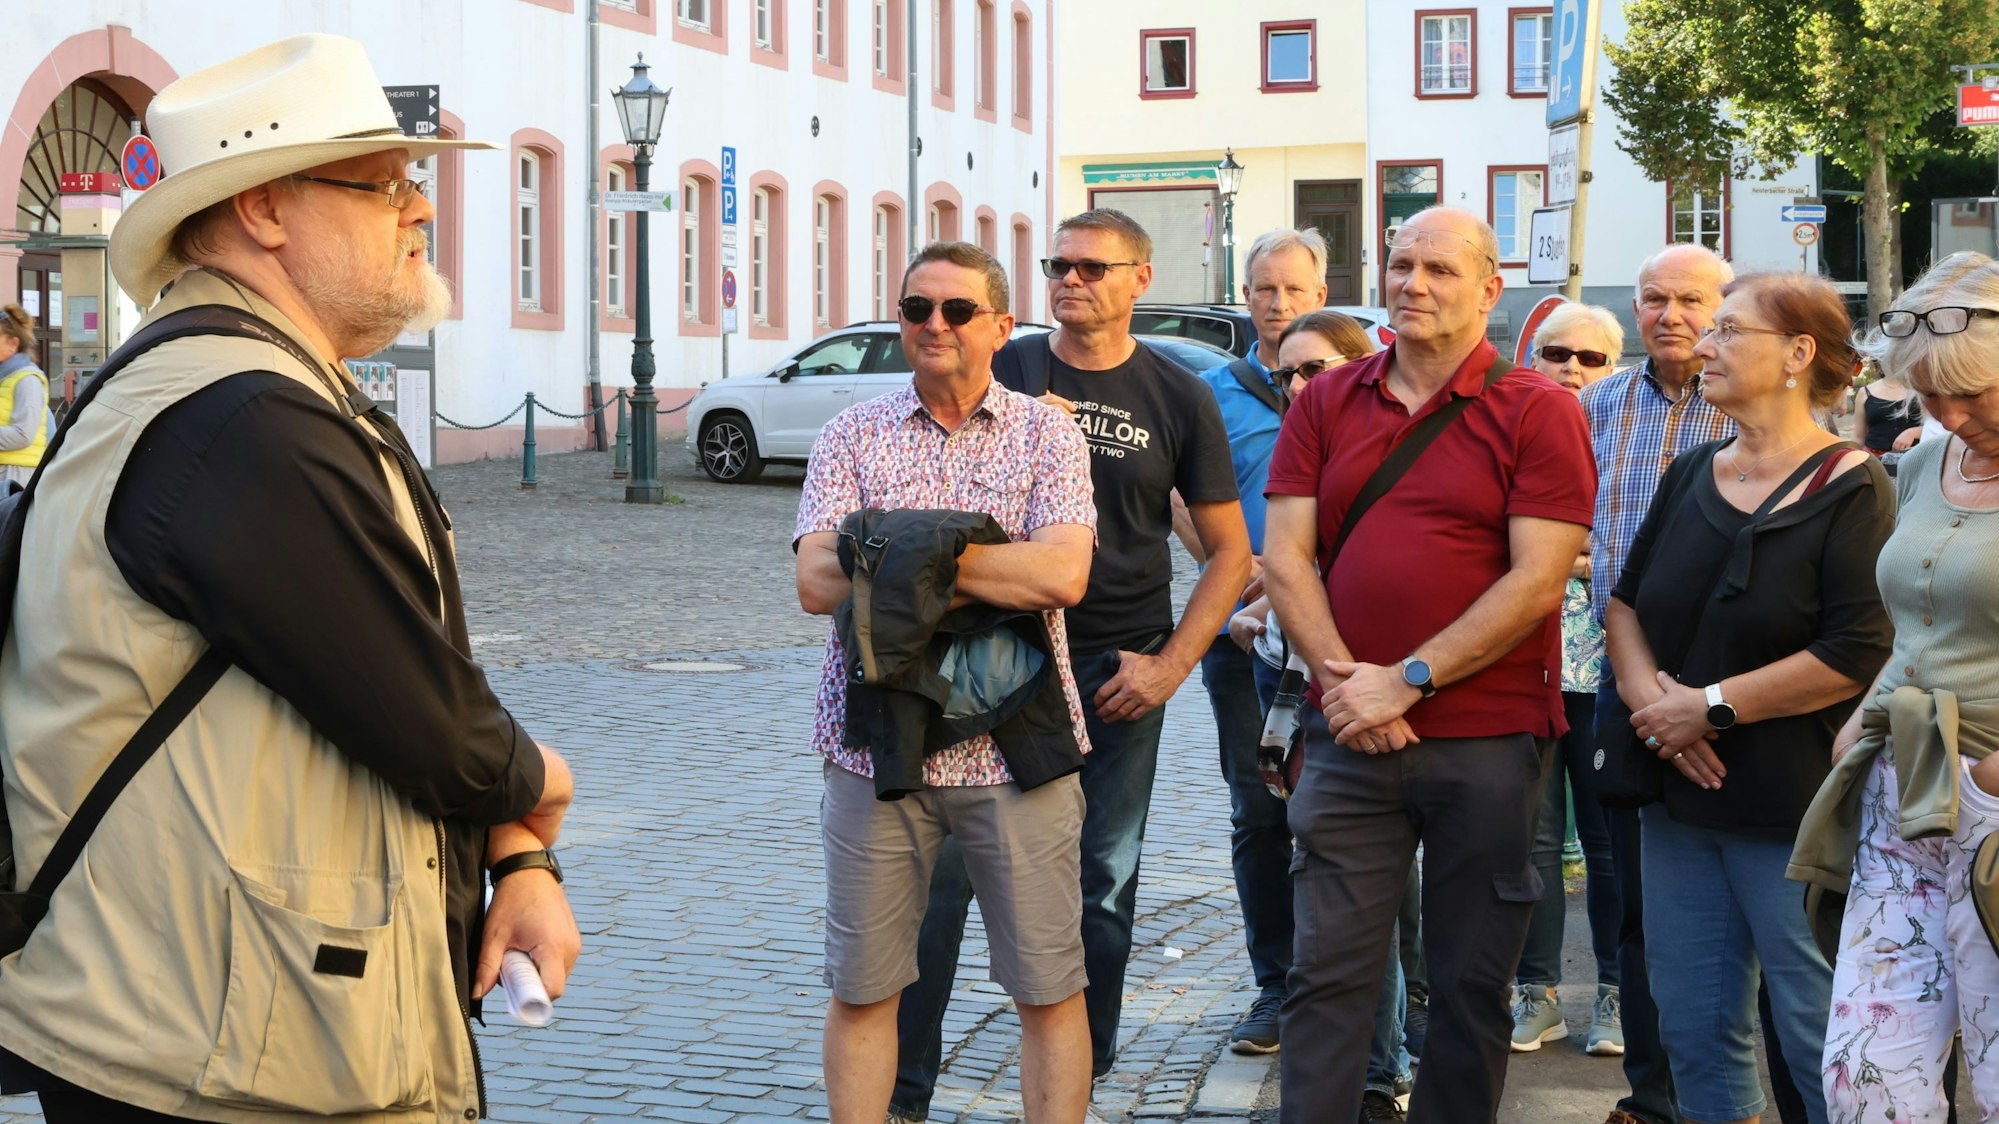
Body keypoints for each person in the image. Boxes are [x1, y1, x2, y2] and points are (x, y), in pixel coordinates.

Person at [0, 34, 580, 1122]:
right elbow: (440, 730)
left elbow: (409, 693)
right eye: (383, 184)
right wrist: (544, 786)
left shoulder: (228, 384)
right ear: (265, 209)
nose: (419, 210)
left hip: (207, 1021)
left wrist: (521, 857)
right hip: (216, 1056)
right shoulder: (246, 419)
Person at [889, 209, 1250, 1121]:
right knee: (940, 885)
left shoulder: (1178, 394)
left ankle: (1073, 1088)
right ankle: (902, 1093)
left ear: (1140, 277)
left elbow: (1231, 554)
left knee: (1099, 885)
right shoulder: (999, 364)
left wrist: (1171, 667)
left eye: (1092, 266)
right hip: (983, 657)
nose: (1070, 279)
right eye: (1056, 264)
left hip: (1113, 669)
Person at [1263, 206, 1595, 1123]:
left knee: (1468, 985)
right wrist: (1346, 686)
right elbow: (1285, 557)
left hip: (1485, 742)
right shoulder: (1327, 399)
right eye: (1401, 264)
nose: (1413, 283)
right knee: (1325, 977)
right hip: (1346, 736)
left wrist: (1404, 678)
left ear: (1489, 290)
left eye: (1439, 269)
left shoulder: (1537, 409)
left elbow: (1537, 579)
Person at [793, 240, 1098, 1124]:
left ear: (1002, 326)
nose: (934, 325)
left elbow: (1061, 578)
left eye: (957, 311)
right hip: (873, 748)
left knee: (1047, 985)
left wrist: (894, 555)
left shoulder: (1049, 433)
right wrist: (982, 557)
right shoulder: (851, 433)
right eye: (917, 308)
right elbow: (815, 585)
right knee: (862, 987)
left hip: (1013, 744)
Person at [1605, 271, 1894, 1124]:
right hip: (1678, 804)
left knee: (1816, 1038)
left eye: (1729, 330)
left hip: (1792, 813)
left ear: (1798, 354)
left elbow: (1854, 650)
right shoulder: (1693, 467)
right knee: (1693, 1032)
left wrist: (1709, 707)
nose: (1703, 345)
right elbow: (1624, 602)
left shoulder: (1854, 487)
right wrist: (1655, 711)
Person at [1790, 250, 1999, 1123]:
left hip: (1988, 795)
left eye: (1972, 394)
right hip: (1902, 776)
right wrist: (1868, 709)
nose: (1947, 412)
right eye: (1927, 391)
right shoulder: (1924, 460)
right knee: (1867, 1083)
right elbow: (1913, 611)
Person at [1219, 308, 1413, 1112]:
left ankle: (1381, 1068)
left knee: (1365, 882)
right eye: (1286, 372)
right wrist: (1253, 609)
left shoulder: (1383, 443)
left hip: (1366, 684)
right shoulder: (1302, 445)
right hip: (1285, 685)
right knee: (1316, 873)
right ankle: (1341, 1065)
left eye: (1316, 368)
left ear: (1360, 367)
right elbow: (1280, 559)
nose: (1297, 383)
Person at [1579, 243, 1737, 1124]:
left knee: (1741, 897)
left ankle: (1731, 1094)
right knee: (1639, 899)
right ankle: (1650, 1097)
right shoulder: (1598, 404)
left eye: (1689, 299)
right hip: (1623, 675)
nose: (1670, 315)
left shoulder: (1758, 409)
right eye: (1652, 299)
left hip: (1738, 684)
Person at [1183, 226, 1330, 1056]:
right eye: (1263, 290)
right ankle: (1275, 987)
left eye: (1293, 290)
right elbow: (1180, 494)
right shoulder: (1211, 391)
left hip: (1335, 634)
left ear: (1320, 292)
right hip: (1238, 632)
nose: (1277, 305)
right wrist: (1225, 570)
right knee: (1258, 813)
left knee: (1360, 815)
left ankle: (1394, 991)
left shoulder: (1353, 384)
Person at [1512, 302, 1627, 1058]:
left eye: (1590, 358)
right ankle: (1537, 994)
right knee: (1531, 840)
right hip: (1525, 664)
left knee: (1608, 839)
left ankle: (1615, 995)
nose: (1572, 369)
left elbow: (1631, 538)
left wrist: (1566, 557)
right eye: (1557, 353)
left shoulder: (1628, 436)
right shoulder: (1515, 432)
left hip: (1611, 669)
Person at [0, 303, 49, 488]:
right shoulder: (5, 378)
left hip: (15, 475)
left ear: (13, 344)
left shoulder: (27, 380)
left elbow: (23, 434)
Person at [1853, 364, 1923, 457]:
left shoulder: (1921, 389)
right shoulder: (1865, 392)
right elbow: (1858, 437)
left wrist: (1912, 433)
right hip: (1875, 461)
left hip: (1914, 458)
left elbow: (1939, 427)